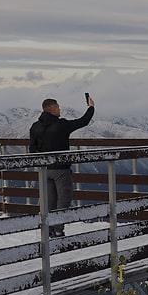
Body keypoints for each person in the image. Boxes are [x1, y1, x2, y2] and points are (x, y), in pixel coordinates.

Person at [29, 95, 95, 236]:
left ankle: (49, 230)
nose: (60, 109)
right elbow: (83, 121)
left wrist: (43, 160)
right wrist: (91, 107)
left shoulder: (35, 127)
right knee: (64, 200)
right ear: (52, 109)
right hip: (61, 169)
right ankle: (58, 230)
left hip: (44, 169)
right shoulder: (61, 125)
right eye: (58, 107)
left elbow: (32, 149)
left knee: (49, 202)